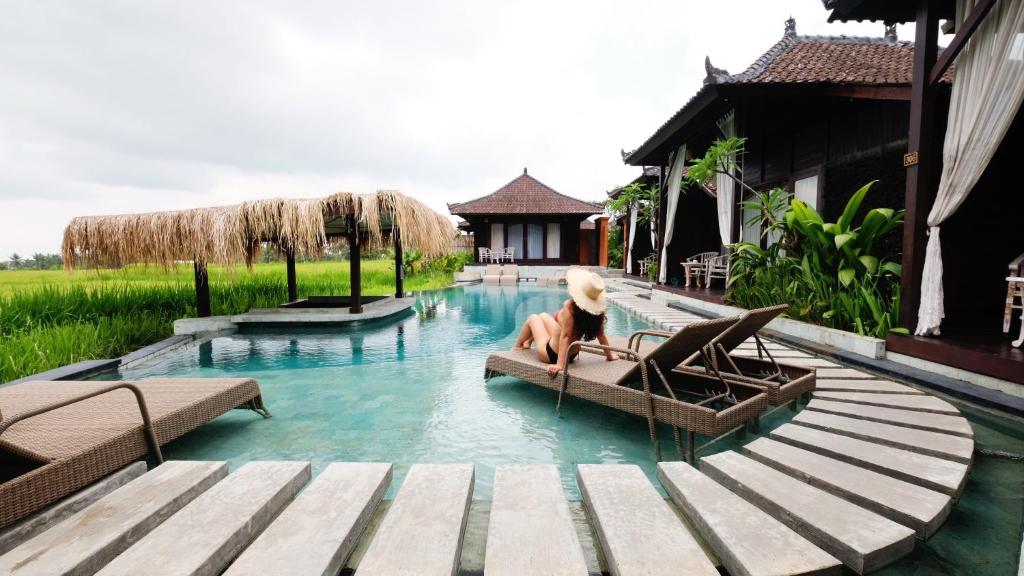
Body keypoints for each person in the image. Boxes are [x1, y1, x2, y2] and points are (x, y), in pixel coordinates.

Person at [512, 268, 617, 377]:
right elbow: (601, 336)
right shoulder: (596, 313)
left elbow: (566, 336)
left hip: (551, 354)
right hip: (572, 353)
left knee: (533, 318)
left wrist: (559, 365)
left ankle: (518, 346)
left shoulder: (570, 306)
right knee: (543, 315)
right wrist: (609, 356)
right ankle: (528, 342)